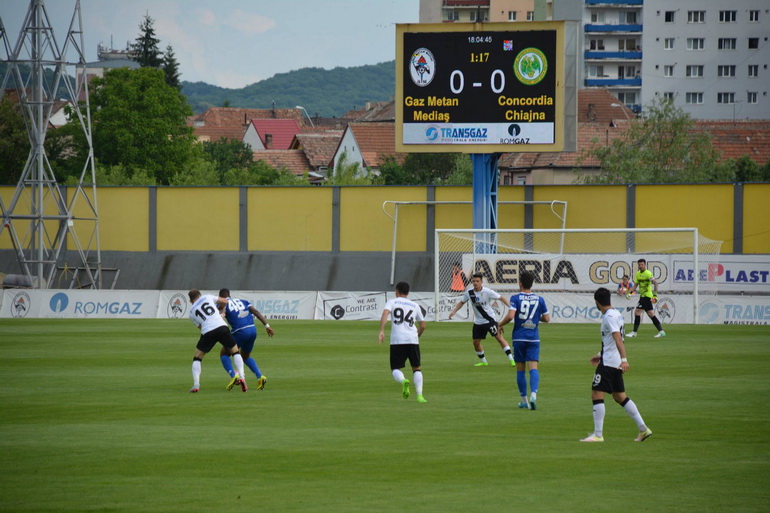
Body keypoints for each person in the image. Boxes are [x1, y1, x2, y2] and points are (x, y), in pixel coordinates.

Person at [580, 287, 653, 443]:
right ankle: (643, 429)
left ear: (597, 302)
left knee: (596, 393)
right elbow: (611, 342)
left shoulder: (609, 317)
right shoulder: (617, 314)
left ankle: (598, 435)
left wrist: (624, 359)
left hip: (610, 364)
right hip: (611, 360)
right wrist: (599, 355)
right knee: (620, 397)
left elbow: (618, 338)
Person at [498, 271, 550, 410]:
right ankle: (534, 395)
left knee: (520, 370)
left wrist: (500, 325)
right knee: (533, 368)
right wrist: (534, 318)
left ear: (520, 283)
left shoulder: (515, 298)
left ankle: (524, 400)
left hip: (519, 337)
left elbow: (510, 316)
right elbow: (547, 319)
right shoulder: (540, 299)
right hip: (533, 338)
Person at [187, 289, 248, 393]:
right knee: (235, 352)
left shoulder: (191, 312)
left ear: (190, 300)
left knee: (197, 358)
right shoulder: (206, 297)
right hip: (221, 326)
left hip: (207, 331)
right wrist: (220, 312)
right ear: (199, 295)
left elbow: (200, 327)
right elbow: (225, 301)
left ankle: (196, 384)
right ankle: (242, 377)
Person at [448, 273, 513, 366]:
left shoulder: (488, 292)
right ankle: (484, 362)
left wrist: (511, 307)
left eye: (477, 281)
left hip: (489, 319)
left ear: (481, 282)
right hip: (478, 322)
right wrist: (454, 311)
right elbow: (462, 302)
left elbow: (501, 298)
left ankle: (511, 359)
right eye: (474, 281)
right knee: (475, 342)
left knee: (499, 338)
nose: (475, 283)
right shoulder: (469, 293)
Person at [378, 281, 427, 403]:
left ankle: (403, 381)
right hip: (412, 339)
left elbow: (385, 313)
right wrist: (417, 336)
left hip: (397, 340)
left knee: (395, 368)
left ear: (396, 291)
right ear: (408, 292)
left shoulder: (392, 302)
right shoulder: (415, 305)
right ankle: (420, 395)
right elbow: (423, 326)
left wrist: (381, 330)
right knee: (416, 368)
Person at [217, 288, 275, 391]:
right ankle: (260, 376)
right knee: (245, 356)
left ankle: (234, 375)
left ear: (221, 297)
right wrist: (267, 326)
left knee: (224, 353)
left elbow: (218, 316)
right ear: (230, 295)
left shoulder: (223, 304)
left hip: (239, 332)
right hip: (253, 331)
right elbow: (255, 311)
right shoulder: (243, 301)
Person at [626, 258, 666, 338]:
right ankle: (661, 332)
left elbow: (655, 283)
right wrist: (629, 292)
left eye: (642, 265)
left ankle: (634, 332)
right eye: (639, 265)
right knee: (651, 314)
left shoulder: (648, 273)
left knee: (637, 312)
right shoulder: (637, 274)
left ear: (645, 265)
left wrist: (655, 295)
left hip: (647, 296)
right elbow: (635, 285)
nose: (640, 266)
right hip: (643, 296)